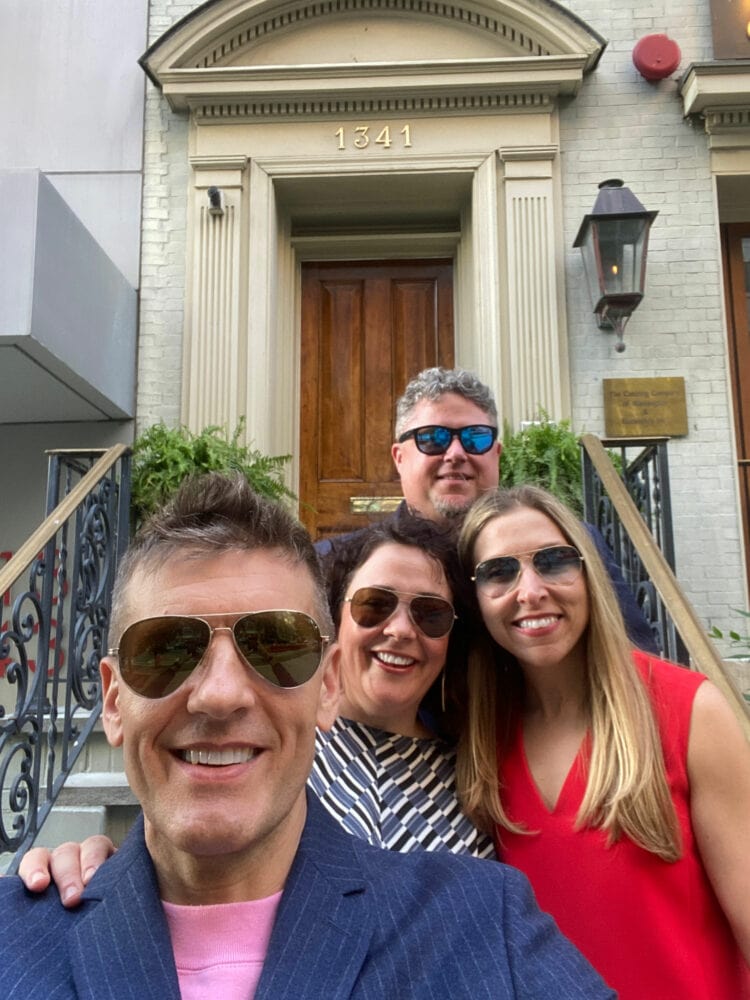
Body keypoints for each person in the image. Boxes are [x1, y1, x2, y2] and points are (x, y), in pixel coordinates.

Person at [3, 472, 614, 999]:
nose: (219, 695)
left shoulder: (482, 921)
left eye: (276, 646)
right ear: (113, 700)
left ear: (326, 687)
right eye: (166, 649)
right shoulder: (16, 935)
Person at [455, 484, 750, 1000]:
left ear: (589, 574)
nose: (530, 590)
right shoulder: (481, 739)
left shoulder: (692, 713)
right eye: (498, 572)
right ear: (475, 601)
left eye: (554, 561)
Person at [317, 366, 659, 654]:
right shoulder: (336, 562)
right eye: (432, 438)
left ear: (495, 453)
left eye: (475, 438)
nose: (455, 453)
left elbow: (635, 663)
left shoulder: (573, 547)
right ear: (399, 457)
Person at [311, 515, 494, 857]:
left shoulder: (476, 783)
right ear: (336, 616)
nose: (401, 631)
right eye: (375, 604)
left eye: (431, 613)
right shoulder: (280, 746)